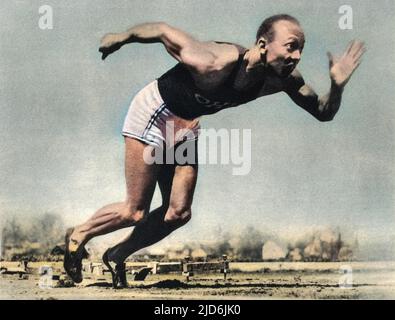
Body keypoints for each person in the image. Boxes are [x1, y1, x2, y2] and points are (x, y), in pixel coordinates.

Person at [64, 14, 365, 288]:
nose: (296, 56)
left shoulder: (282, 81)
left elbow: (324, 112)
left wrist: (337, 86)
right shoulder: (213, 61)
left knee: (178, 213)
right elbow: (162, 30)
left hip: (185, 125)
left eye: (301, 49)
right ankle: (79, 234)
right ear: (263, 44)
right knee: (135, 210)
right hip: (155, 112)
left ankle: (117, 255)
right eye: (290, 47)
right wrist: (123, 36)